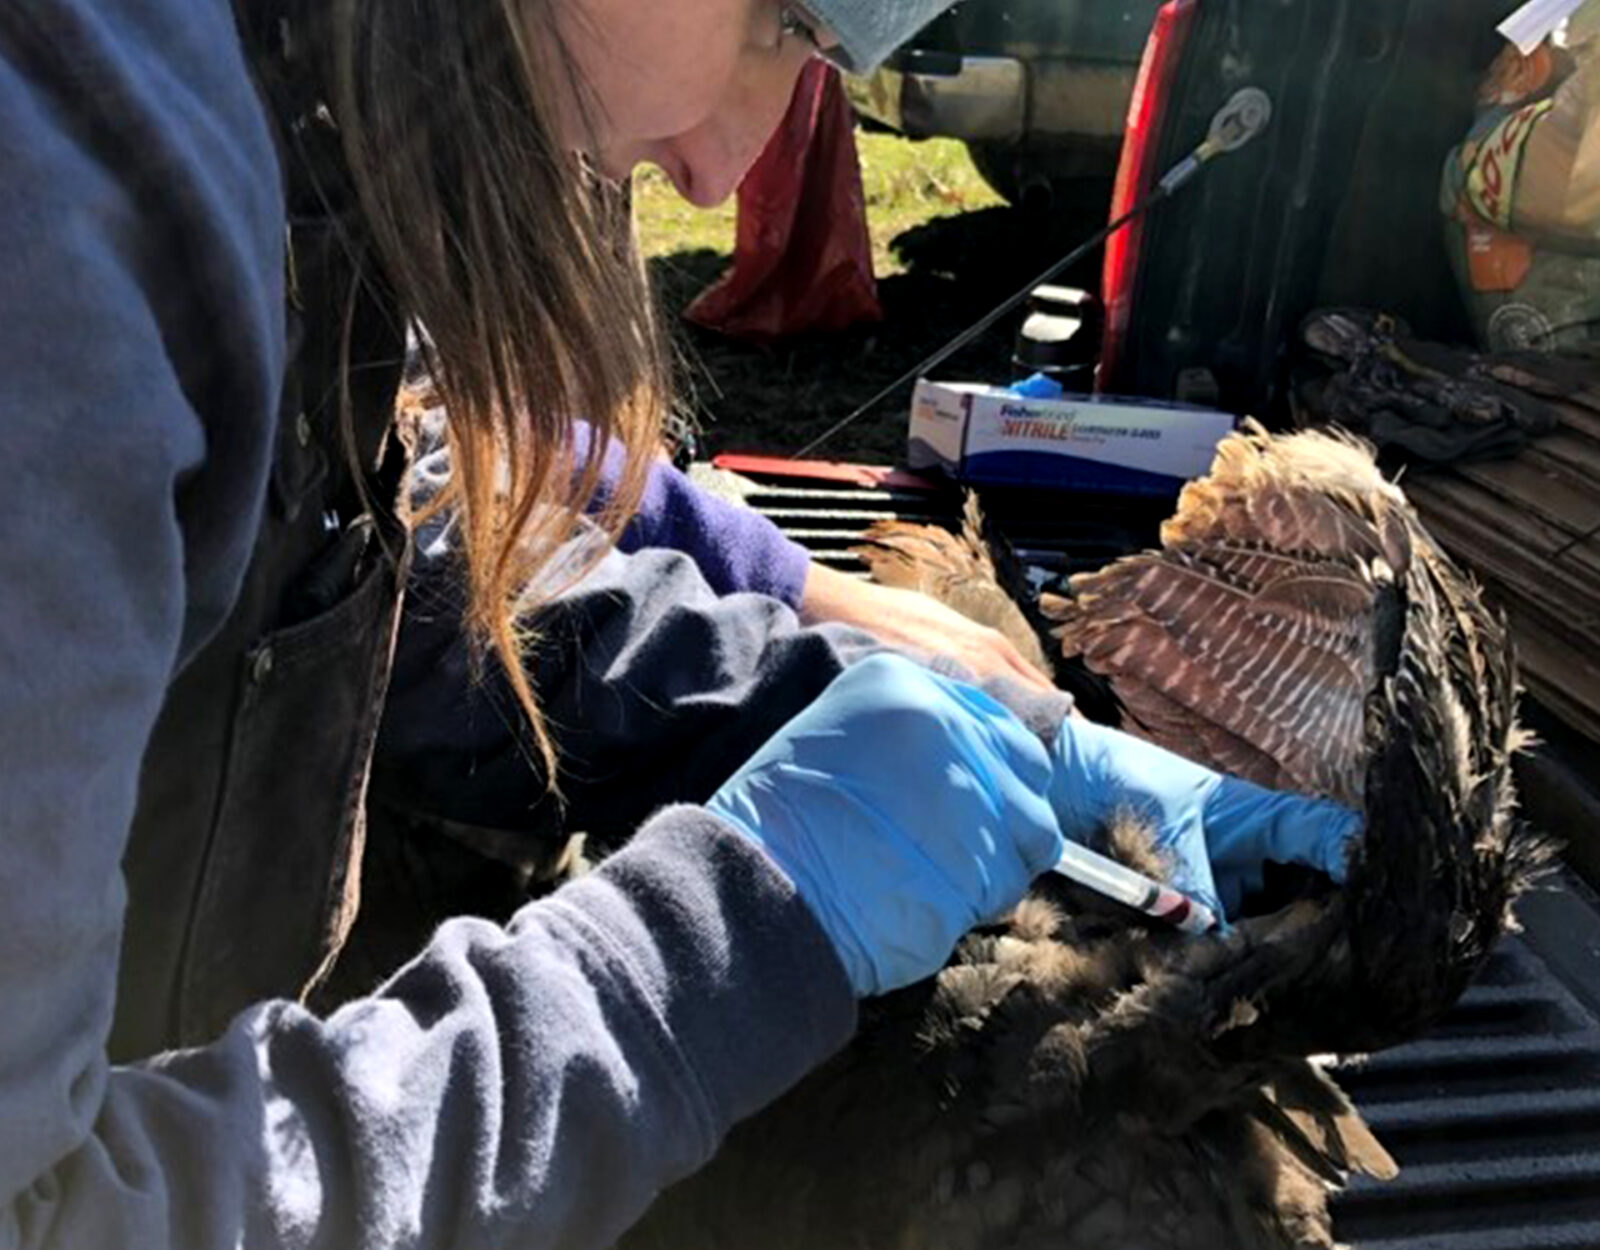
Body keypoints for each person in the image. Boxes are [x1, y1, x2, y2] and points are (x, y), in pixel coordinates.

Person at [0, 3, 1360, 1248]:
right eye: (780, 20)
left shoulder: (288, 91)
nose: (724, 176)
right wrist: (716, 949)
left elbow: (358, 540)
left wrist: (796, 694)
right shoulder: (55, 220)